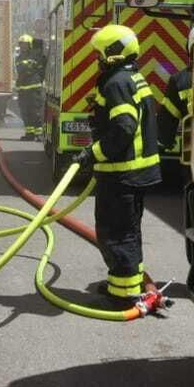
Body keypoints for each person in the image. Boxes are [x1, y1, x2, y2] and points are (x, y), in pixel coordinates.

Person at [74, 23, 160, 305]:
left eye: (100, 53)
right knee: (129, 232)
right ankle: (127, 286)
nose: (97, 59)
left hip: (121, 174)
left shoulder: (116, 83)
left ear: (112, 53)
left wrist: (93, 154)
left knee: (115, 234)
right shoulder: (132, 78)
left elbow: (123, 128)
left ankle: (122, 295)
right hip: (136, 174)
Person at [13, 34, 46, 139]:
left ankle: (39, 133)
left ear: (30, 45)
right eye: (21, 44)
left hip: (34, 89)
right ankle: (29, 133)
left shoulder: (36, 55)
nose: (23, 46)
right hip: (22, 90)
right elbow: (22, 69)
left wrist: (28, 67)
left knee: (35, 112)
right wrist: (28, 66)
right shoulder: (19, 57)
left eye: (25, 44)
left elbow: (37, 69)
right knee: (25, 112)